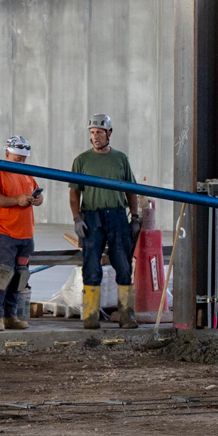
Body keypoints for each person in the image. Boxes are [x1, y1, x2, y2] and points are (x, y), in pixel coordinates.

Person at [68, 113, 138, 331]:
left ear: (109, 133)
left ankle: (126, 315)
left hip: (117, 216)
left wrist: (134, 217)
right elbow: (74, 194)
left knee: (123, 266)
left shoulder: (121, 159)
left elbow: (131, 190)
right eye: (91, 132)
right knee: (91, 266)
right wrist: (77, 218)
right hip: (92, 218)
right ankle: (90, 316)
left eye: (99, 132)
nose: (95, 136)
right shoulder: (81, 160)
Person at [0, 135, 43, 331]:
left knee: (20, 276)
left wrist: (37, 199)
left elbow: (36, 195)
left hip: (26, 234)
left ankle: (11, 315)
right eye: (18, 159)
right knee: (4, 274)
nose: (21, 162)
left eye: (24, 159)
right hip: (4, 233)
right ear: (7, 153)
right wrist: (17, 201)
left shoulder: (27, 174)